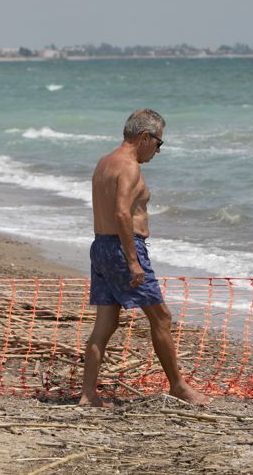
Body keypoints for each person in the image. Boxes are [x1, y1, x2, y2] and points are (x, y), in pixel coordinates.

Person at [80, 108, 211, 406]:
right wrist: (132, 260)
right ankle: (178, 387)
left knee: (105, 324)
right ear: (144, 137)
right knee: (161, 317)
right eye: (159, 143)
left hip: (100, 246)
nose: (158, 150)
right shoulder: (128, 166)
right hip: (122, 248)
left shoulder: (104, 162)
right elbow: (122, 212)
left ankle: (88, 394)